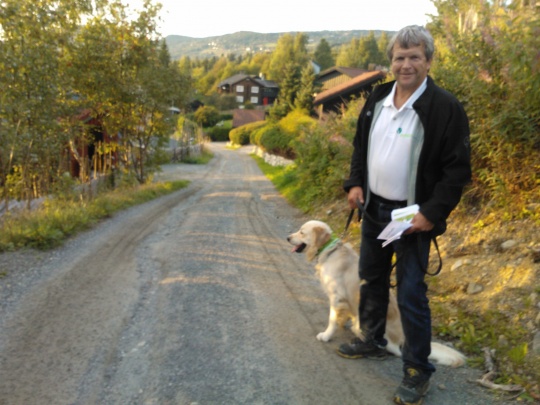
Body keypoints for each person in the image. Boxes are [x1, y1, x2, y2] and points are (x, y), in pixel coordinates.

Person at [339, 25, 472, 405]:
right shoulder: (378, 97)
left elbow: (457, 171)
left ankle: (417, 370)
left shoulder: (444, 107)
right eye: (400, 57)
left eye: (415, 57)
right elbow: (360, 146)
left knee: (412, 292)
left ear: (429, 61)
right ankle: (372, 338)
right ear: (391, 62)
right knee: (372, 278)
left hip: (412, 218)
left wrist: (432, 212)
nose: (406, 64)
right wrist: (355, 183)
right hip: (375, 209)